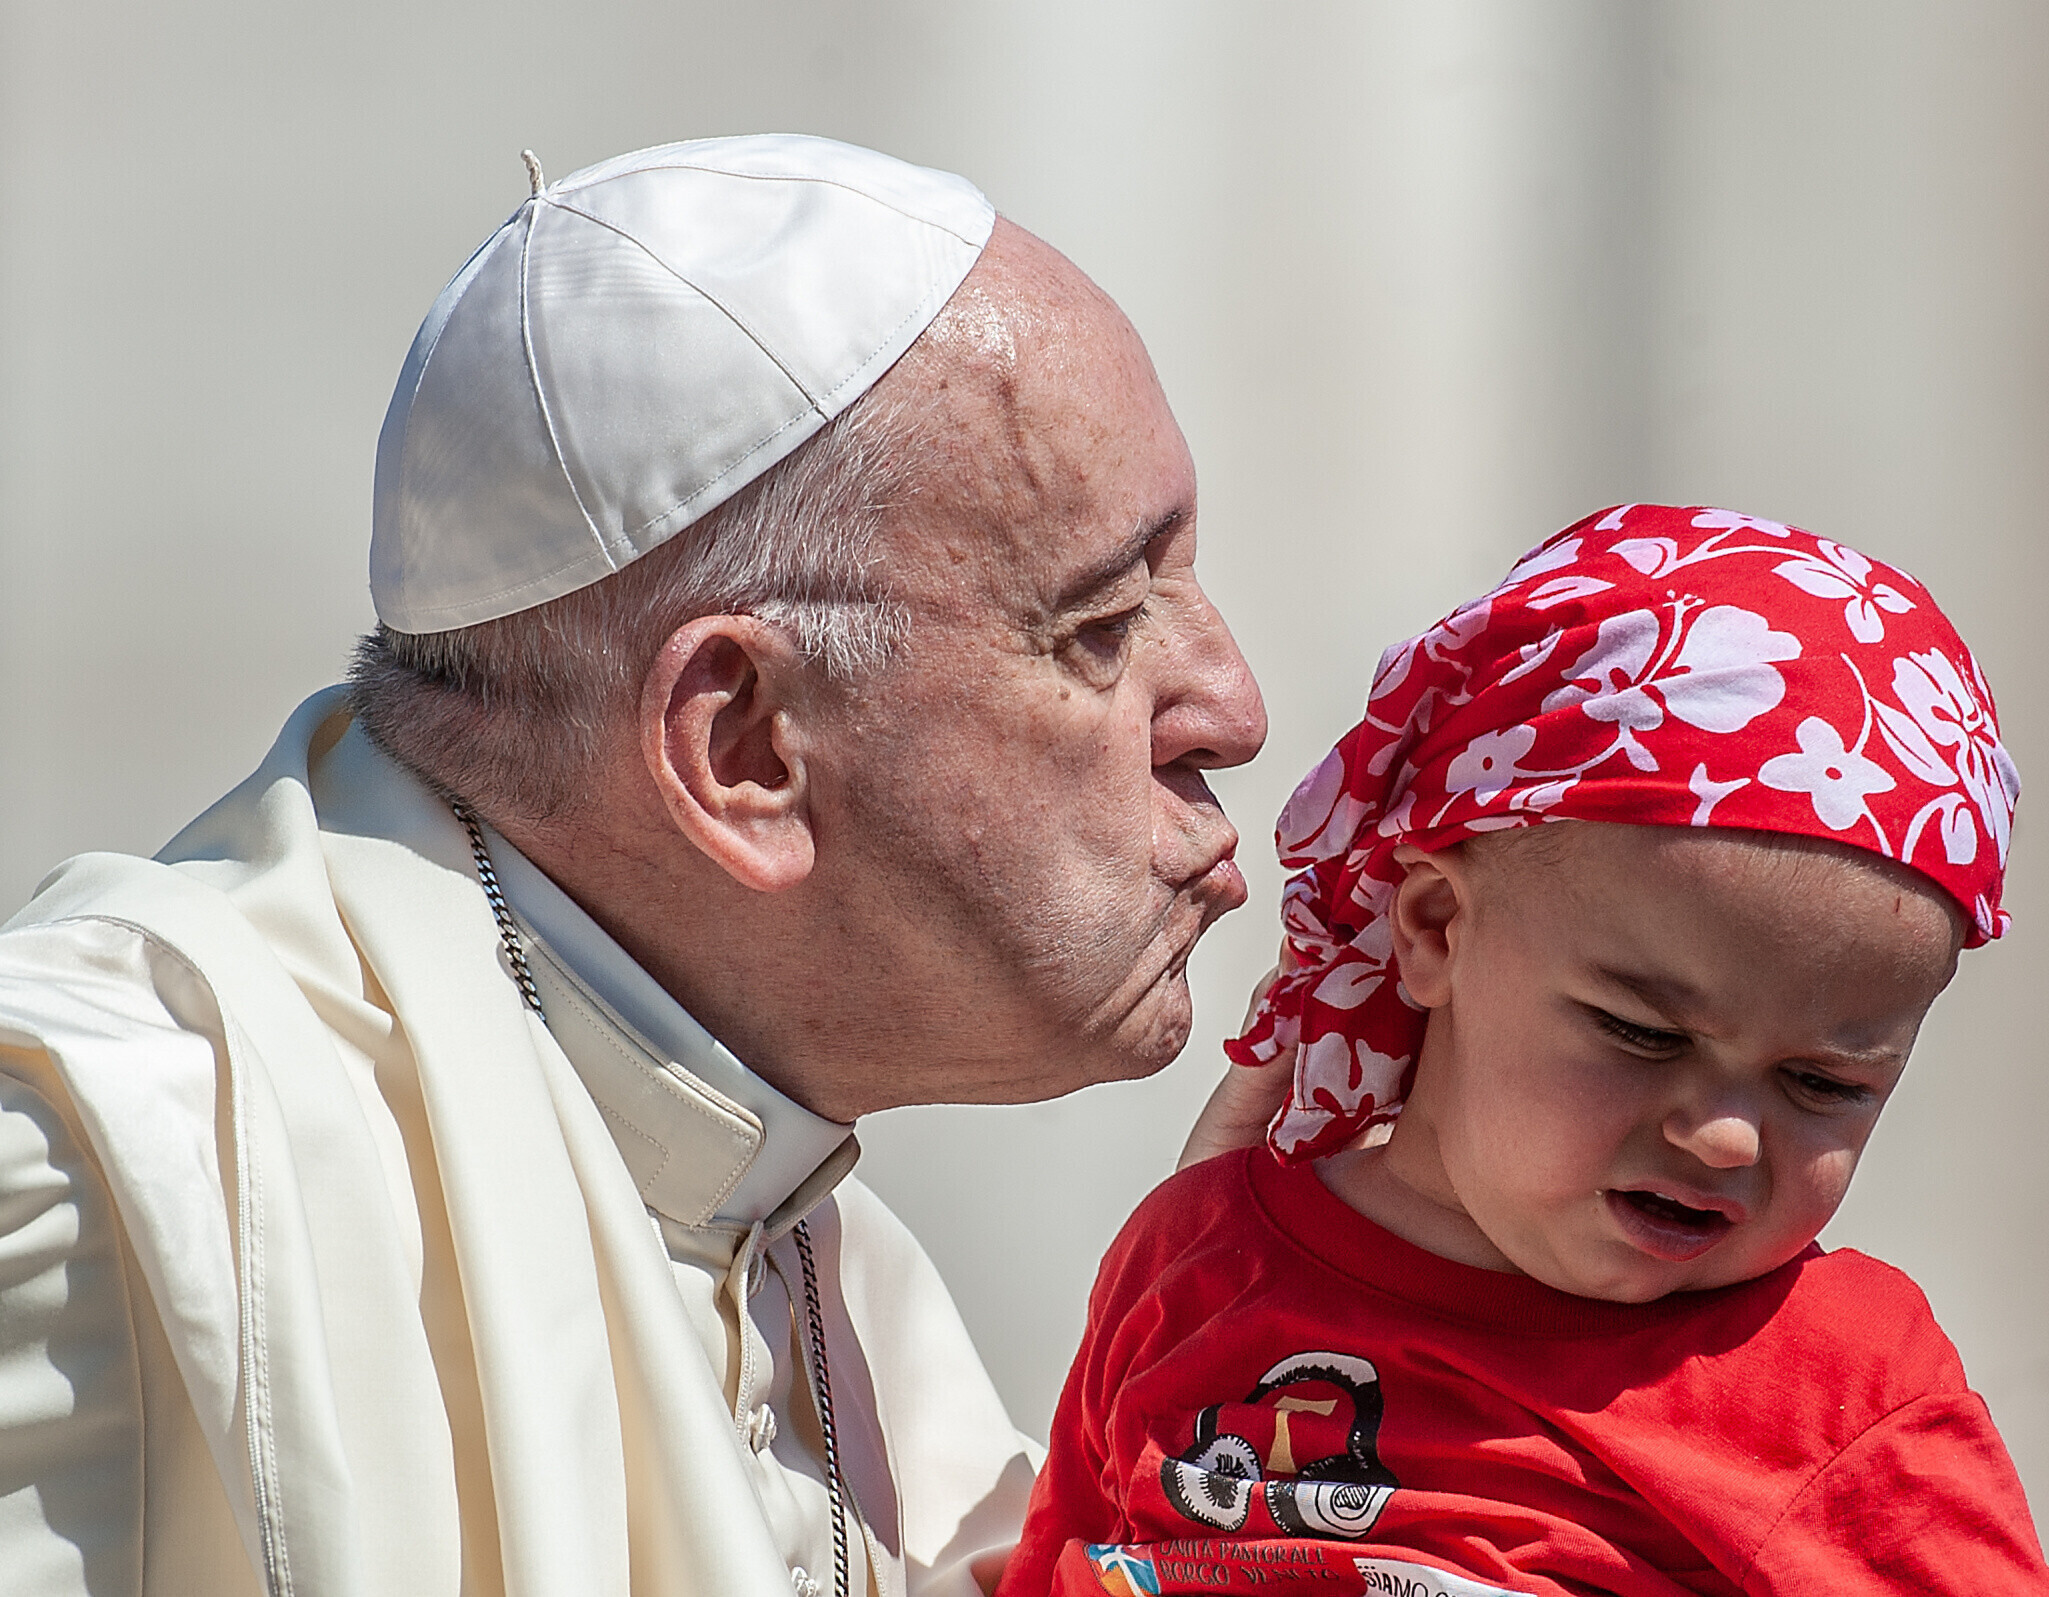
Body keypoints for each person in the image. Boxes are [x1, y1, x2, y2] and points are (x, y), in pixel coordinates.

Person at [0, 134, 1266, 1597]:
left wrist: (1219, 1380)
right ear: (745, 749)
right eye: (1103, 623)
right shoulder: (116, 1173)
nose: (1233, 707)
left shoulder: (819, 1259)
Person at [999, 504, 2049, 1597]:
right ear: (1435, 929)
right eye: (1645, 1033)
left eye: (1823, 1083)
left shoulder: (1837, 1385)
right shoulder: (1196, 1260)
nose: (1726, 1136)